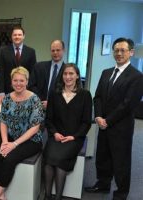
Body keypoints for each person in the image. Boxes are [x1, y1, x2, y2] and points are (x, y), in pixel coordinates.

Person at [85, 38, 143, 200]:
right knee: (103, 157)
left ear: (131, 52)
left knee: (121, 161)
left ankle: (121, 193)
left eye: (123, 50)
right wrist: (98, 116)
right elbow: (98, 97)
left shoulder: (137, 77)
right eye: (116, 50)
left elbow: (128, 105)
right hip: (103, 124)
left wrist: (108, 120)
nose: (119, 53)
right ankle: (103, 184)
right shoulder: (106, 72)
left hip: (121, 127)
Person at [0, 67, 44, 200]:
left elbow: (35, 128)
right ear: (11, 81)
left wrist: (14, 144)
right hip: (10, 137)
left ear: (27, 81)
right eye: (15, 80)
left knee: (9, 159)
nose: (18, 83)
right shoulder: (7, 99)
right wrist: (4, 141)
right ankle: (2, 195)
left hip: (31, 140)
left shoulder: (34, 99)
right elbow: (3, 122)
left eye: (21, 80)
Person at [43, 63, 92, 200]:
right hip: (56, 136)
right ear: (62, 76)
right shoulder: (54, 93)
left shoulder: (85, 95)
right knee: (48, 161)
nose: (68, 77)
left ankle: (58, 197)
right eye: (65, 74)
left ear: (77, 76)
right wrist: (55, 133)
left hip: (74, 138)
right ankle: (47, 196)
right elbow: (49, 119)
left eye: (71, 74)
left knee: (59, 162)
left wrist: (74, 137)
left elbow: (86, 122)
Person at [0, 26, 36, 103]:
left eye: (19, 35)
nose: (17, 37)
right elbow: (0, 72)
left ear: (24, 36)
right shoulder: (3, 51)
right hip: (8, 92)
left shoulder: (31, 52)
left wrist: (30, 91)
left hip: (25, 91)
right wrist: (1, 92)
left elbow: (33, 73)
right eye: (15, 35)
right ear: (11, 36)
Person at [29, 39, 65, 110]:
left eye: (58, 50)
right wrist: (42, 101)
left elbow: (68, 92)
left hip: (59, 110)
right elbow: (31, 85)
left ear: (63, 50)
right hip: (38, 107)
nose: (55, 53)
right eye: (53, 50)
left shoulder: (67, 71)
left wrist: (51, 103)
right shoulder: (39, 67)